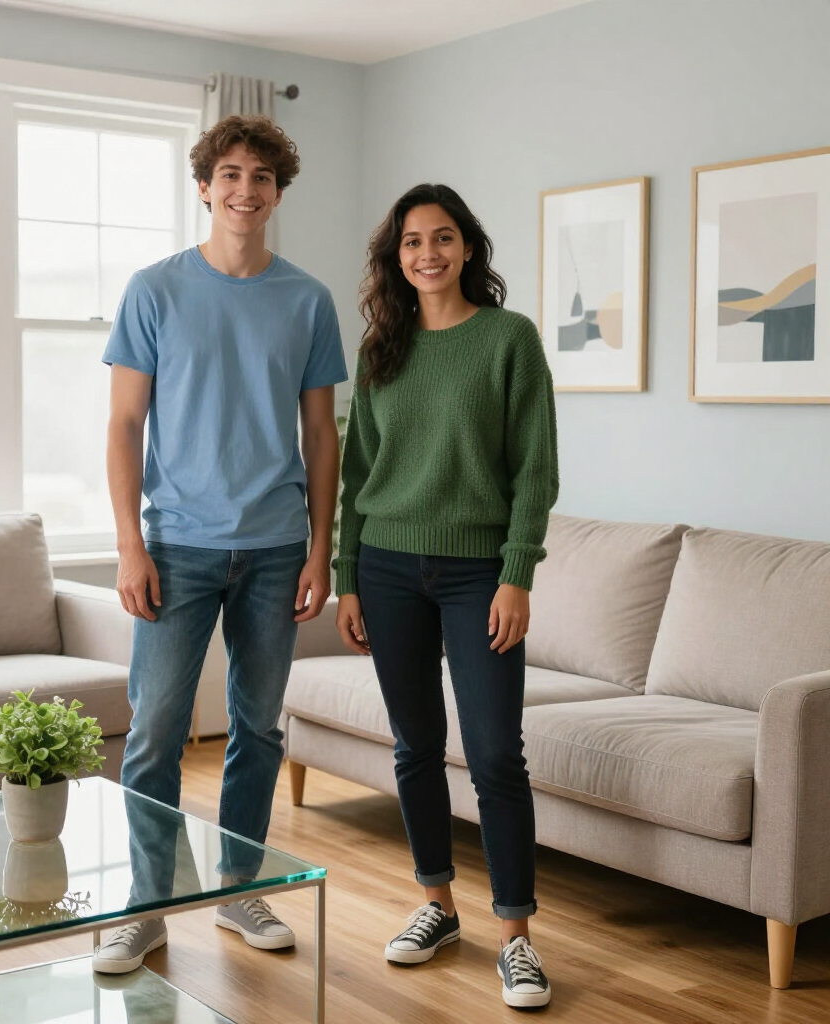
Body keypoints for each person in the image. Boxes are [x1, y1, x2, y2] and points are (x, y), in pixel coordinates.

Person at [94, 114, 347, 974]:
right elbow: (125, 426)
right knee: (157, 731)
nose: (246, 190)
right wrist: (130, 547)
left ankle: (239, 886)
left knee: (257, 729)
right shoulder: (155, 289)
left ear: (279, 193)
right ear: (204, 187)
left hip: (277, 547)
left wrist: (322, 550)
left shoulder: (306, 299)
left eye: (262, 178)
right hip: (178, 547)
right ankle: (148, 906)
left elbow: (322, 433)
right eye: (230, 174)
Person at [333, 184, 558, 1009]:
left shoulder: (509, 339)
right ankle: (437, 903)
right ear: (395, 258)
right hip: (388, 567)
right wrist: (348, 576)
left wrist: (516, 574)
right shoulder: (381, 348)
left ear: (468, 248)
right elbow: (359, 473)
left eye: (443, 238)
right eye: (411, 242)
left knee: (496, 752)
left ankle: (517, 937)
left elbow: (535, 468)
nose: (426, 253)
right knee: (414, 744)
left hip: (475, 576)